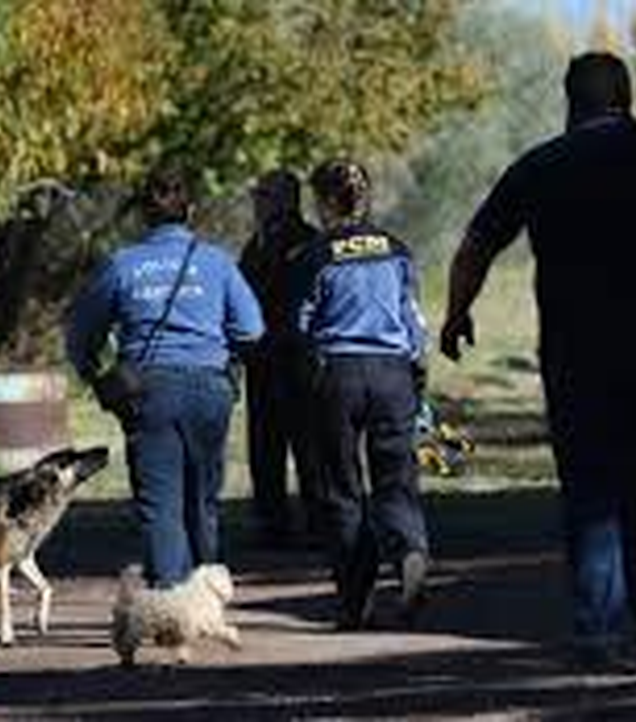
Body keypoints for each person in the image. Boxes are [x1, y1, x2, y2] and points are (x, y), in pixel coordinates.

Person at [439, 51, 636, 663]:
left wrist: (456, 313)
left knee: (590, 481)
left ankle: (602, 626)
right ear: (626, 97)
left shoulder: (540, 166)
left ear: (570, 101)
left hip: (576, 348)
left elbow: (475, 245)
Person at [65, 166, 265, 588]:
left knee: (159, 504)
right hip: (210, 389)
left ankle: (170, 603)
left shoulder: (122, 265)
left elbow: (81, 334)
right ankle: (204, 596)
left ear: (143, 216)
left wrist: (95, 374)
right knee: (203, 500)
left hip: (148, 390)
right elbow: (252, 329)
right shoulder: (217, 262)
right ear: (189, 211)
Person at [300, 158, 431, 630]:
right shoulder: (397, 250)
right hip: (394, 373)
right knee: (396, 479)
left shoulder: (316, 253)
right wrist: (418, 380)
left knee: (342, 489)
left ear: (325, 202)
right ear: (366, 197)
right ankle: (411, 549)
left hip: (339, 374)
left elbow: (302, 324)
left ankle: (356, 599)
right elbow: (414, 321)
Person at [238, 169, 326, 545]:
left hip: (297, 359)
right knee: (265, 444)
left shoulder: (308, 242)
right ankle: (273, 522)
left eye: (264, 196)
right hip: (263, 360)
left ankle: (318, 521)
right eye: (258, 196)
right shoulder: (255, 244)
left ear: (286, 199)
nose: (257, 203)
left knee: (307, 444)